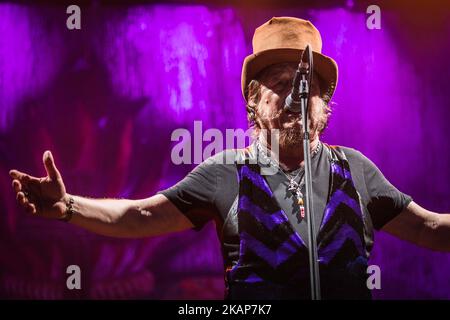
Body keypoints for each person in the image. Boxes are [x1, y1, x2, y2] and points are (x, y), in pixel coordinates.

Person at [9, 17, 450, 299]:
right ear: (255, 102)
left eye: (310, 86)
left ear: (324, 105)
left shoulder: (356, 169)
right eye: (281, 82)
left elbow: (431, 227)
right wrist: (68, 206)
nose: (299, 94)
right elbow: (140, 216)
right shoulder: (227, 173)